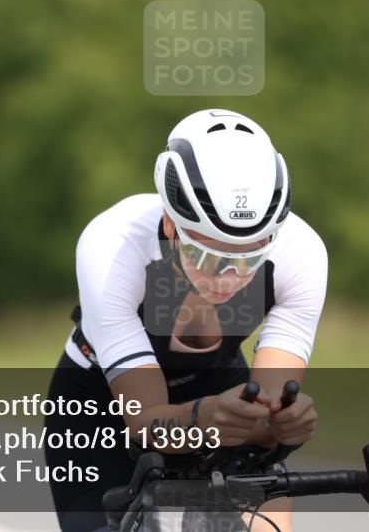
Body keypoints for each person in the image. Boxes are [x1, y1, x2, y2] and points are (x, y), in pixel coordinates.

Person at [45, 110, 328, 532]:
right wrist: (205, 416)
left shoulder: (300, 253)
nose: (229, 277)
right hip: (101, 403)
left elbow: (266, 426)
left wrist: (280, 426)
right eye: (207, 255)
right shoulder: (113, 246)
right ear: (170, 228)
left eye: (249, 257)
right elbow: (145, 424)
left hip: (220, 387)